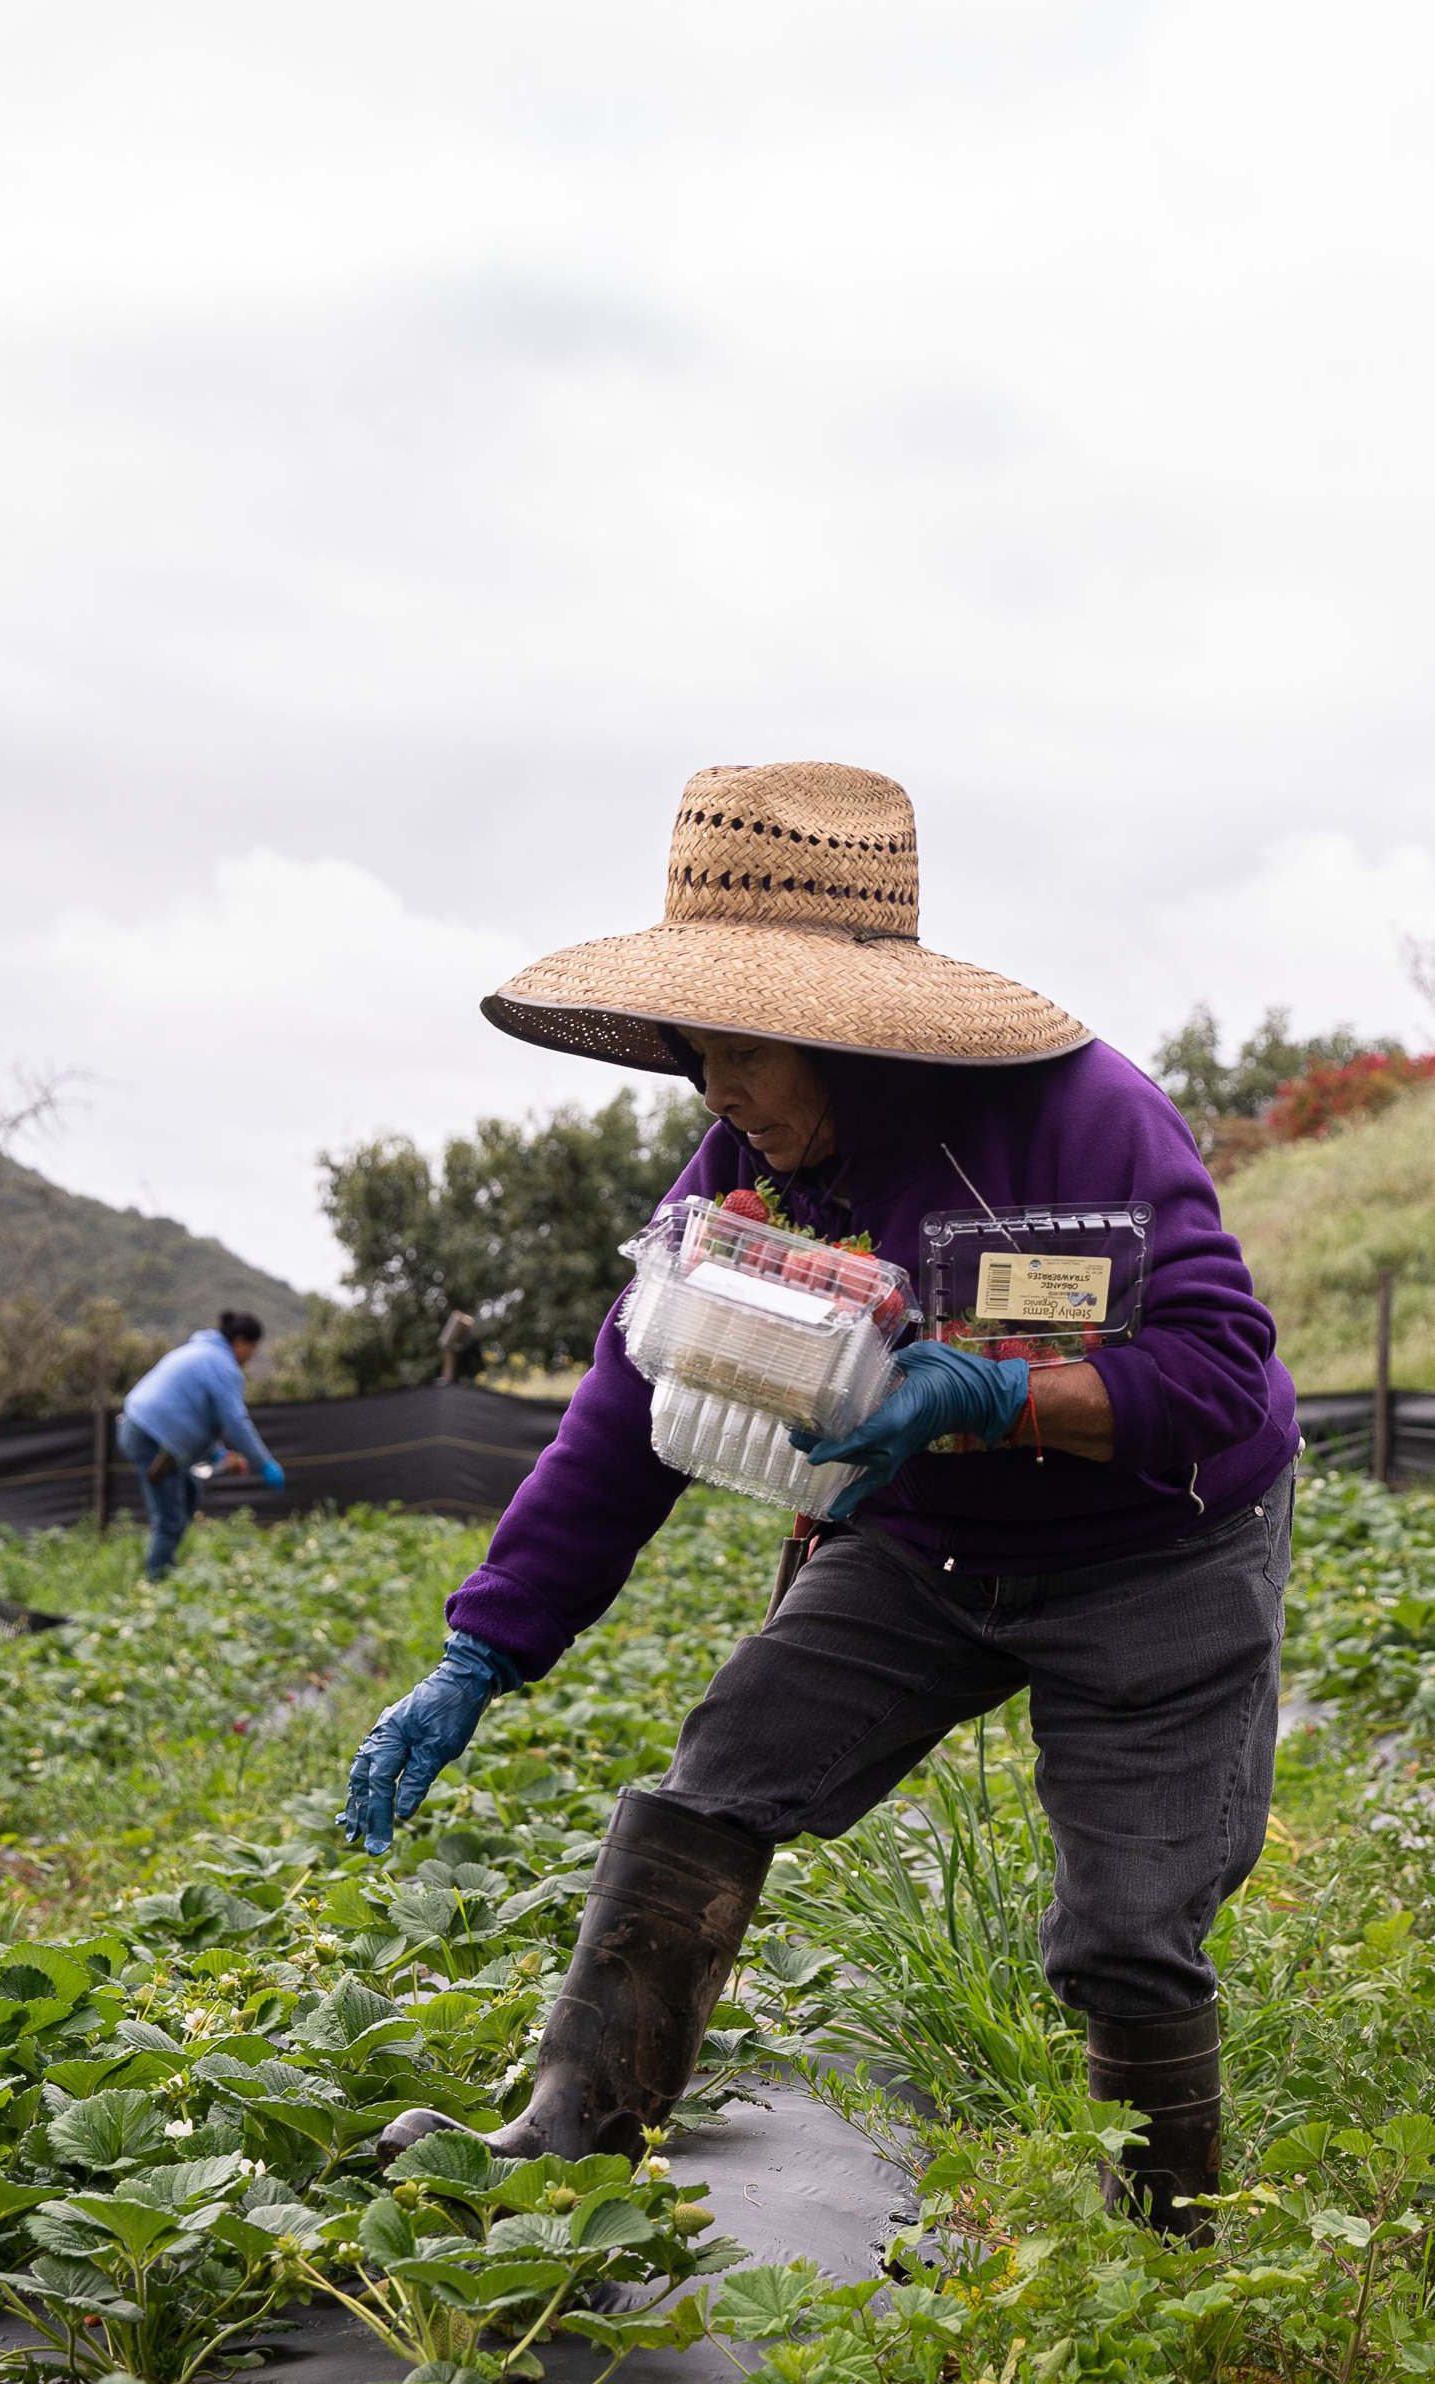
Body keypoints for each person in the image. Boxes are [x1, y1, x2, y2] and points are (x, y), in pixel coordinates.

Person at [342, 761, 1295, 2234]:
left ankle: (1168, 2240)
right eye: (689, 1048)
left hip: (1152, 1549)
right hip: (924, 1542)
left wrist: (999, 1391)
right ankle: (572, 2139)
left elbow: (1221, 1377)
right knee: (713, 1779)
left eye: (741, 1048)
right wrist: (485, 1649)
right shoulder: (742, 1166)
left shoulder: (1076, 1114)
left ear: (843, 1029)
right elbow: (623, 1407)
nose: (711, 1086)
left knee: (1124, 1928)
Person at [116, 1310, 283, 1579]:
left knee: (190, 1491)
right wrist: (264, 1463)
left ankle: (164, 1566)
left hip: (141, 1428)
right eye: (252, 1348)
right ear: (240, 1342)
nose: (251, 1356)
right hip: (151, 1437)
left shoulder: (200, 1352)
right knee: (169, 1518)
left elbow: (194, 1417)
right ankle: (155, 1585)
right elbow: (235, 1422)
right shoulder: (223, 1365)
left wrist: (217, 1453)